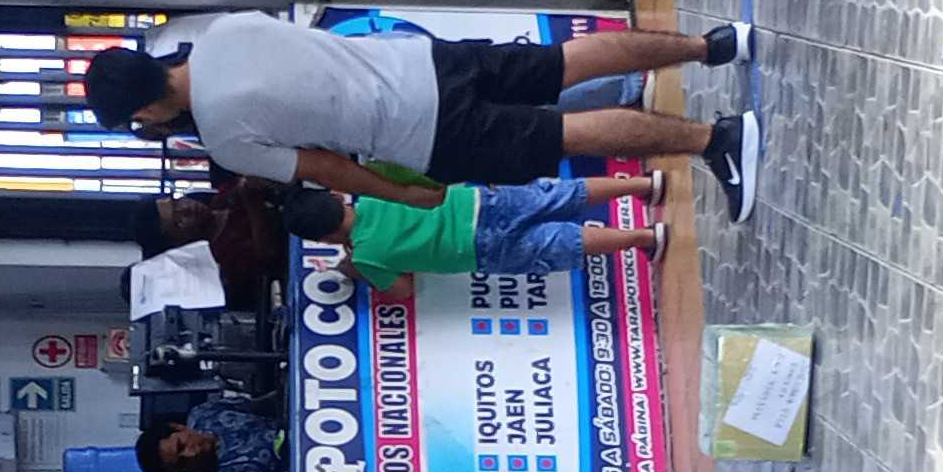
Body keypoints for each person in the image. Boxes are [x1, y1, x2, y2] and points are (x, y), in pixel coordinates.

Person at [77, 12, 768, 220]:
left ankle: (715, 138)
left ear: (144, 109)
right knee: (561, 63)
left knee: (562, 133)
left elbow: (326, 167)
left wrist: (402, 194)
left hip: (419, 132)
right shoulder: (224, 30)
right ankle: (713, 46)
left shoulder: (225, 139)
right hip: (424, 62)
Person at [282, 173, 663, 290]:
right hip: (477, 201)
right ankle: (645, 184)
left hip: (476, 248)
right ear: (336, 196)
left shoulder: (367, 256)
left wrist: (354, 268)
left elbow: (403, 291)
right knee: (561, 195)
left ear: (325, 239)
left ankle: (643, 238)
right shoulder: (374, 193)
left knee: (558, 242)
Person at [136, 177, 290, 309]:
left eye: (176, 202)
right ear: (176, 243)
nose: (186, 208)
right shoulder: (219, 258)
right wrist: (252, 204)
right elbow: (269, 253)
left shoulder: (223, 197)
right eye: (179, 221)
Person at [139, 404, 283, 472]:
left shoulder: (204, 413)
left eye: (181, 446)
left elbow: (259, 404)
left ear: (178, 427)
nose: (191, 454)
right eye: (182, 463)